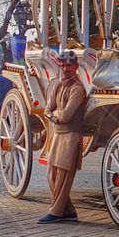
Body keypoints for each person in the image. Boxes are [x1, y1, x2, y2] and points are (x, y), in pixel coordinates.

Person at [38, 49, 86, 224]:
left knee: (63, 179)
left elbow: (66, 116)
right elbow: (47, 109)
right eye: (63, 65)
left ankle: (57, 212)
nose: (66, 69)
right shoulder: (58, 85)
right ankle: (69, 211)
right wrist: (54, 115)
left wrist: (53, 115)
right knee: (52, 175)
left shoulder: (78, 89)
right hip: (58, 136)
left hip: (71, 137)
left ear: (76, 67)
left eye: (69, 66)